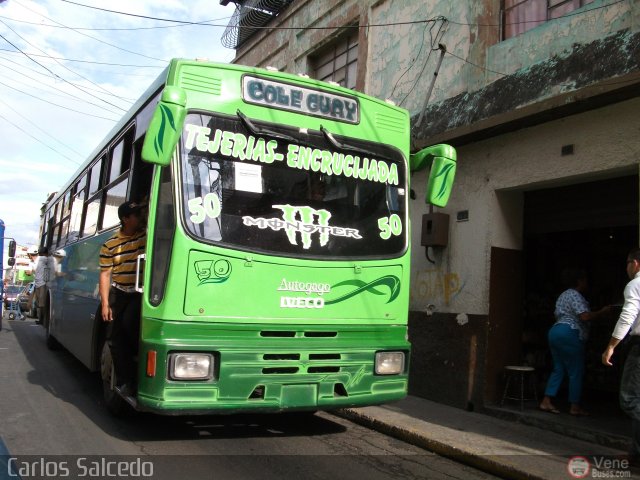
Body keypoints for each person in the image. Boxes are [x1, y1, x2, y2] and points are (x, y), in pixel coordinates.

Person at [539, 268, 610, 416]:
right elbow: (584, 316)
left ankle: (546, 400)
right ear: (579, 281)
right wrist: (602, 313)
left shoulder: (563, 295)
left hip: (555, 331)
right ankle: (575, 406)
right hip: (570, 333)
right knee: (575, 371)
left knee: (558, 368)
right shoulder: (576, 295)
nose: (586, 283)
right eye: (584, 280)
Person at [99, 201, 146, 396]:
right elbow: (105, 275)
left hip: (138, 292)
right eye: (136, 215)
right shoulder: (110, 244)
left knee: (129, 323)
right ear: (125, 219)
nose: (140, 217)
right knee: (115, 339)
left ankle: (140, 370)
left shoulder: (145, 235)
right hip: (119, 292)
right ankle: (126, 381)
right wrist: (105, 303)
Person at [602, 248, 640, 465]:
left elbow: (627, 315)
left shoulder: (635, 284)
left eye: (627, 263)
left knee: (630, 399)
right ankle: (636, 453)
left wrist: (611, 346)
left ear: (635, 263)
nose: (626, 267)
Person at [33, 247, 55, 324]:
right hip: (42, 284)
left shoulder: (38, 259)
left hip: (38, 284)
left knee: (40, 304)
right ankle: (42, 320)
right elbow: (52, 258)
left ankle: (41, 319)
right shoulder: (43, 258)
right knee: (42, 304)